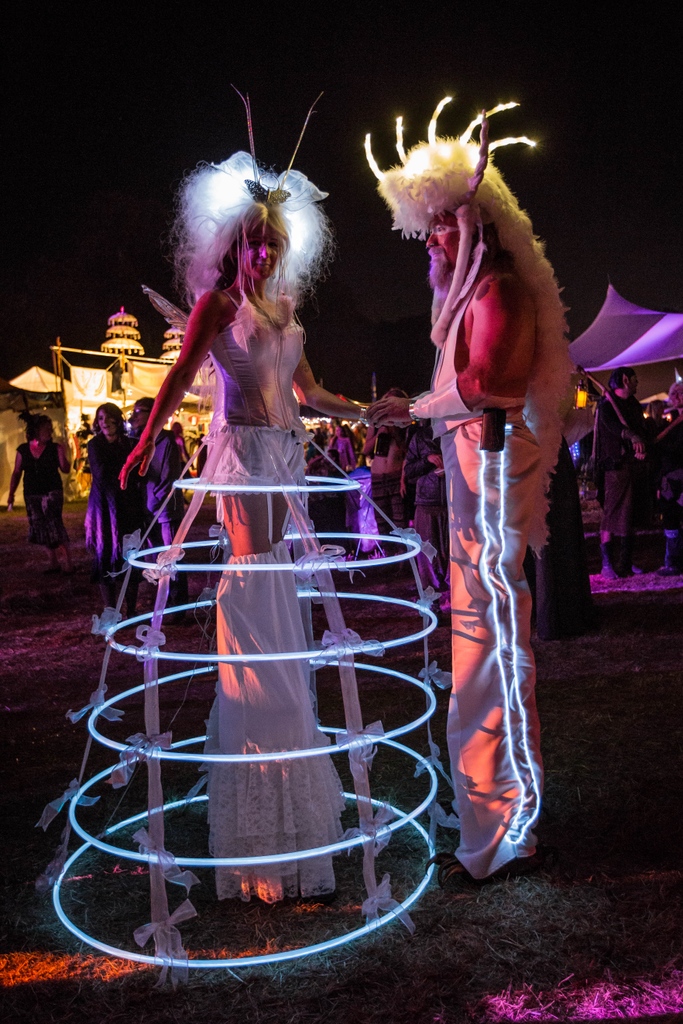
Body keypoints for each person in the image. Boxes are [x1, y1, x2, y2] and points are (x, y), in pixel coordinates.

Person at [120, 149, 369, 904]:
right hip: (242, 460)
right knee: (254, 594)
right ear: (235, 246)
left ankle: (296, 820)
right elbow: (174, 376)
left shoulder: (285, 311)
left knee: (282, 605)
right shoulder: (217, 307)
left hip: (284, 459)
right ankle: (264, 828)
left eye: (272, 243)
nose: (263, 253)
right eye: (254, 242)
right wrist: (143, 440)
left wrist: (366, 411)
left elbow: (311, 391)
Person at [366, 99, 570, 880]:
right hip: (466, 490)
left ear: (481, 225)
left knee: (492, 653)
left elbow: (493, 382)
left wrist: (414, 407)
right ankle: (483, 824)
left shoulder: (499, 292)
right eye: (432, 230)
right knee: (471, 650)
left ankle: (509, 832)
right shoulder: (460, 297)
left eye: (449, 226)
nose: (436, 240)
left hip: (492, 484)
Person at [128, 397, 189, 616]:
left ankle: (177, 605)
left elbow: (168, 478)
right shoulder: (137, 440)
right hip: (148, 509)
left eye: (139, 411)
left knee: (172, 558)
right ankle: (165, 601)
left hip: (164, 511)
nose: (134, 417)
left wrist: (155, 503)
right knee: (157, 558)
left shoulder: (166, 441)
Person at [85, 403, 145, 614]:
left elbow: (139, 472)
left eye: (109, 418)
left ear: (118, 420)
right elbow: (100, 473)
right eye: (101, 419)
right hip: (104, 506)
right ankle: (111, 610)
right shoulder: (95, 445)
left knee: (130, 553)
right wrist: (125, 470)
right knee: (106, 552)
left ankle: (131, 609)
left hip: (128, 505)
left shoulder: (130, 444)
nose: (105, 423)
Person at [594, 367, 649, 578]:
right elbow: (613, 426)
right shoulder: (607, 406)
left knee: (630, 514)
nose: (637, 383)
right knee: (612, 514)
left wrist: (642, 446)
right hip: (614, 467)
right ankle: (607, 564)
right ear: (625, 380)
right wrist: (630, 436)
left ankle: (625, 562)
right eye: (634, 379)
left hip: (633, 466)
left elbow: (640, 429)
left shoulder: (633, 405)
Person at [7, 412, 74, 573]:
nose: (50, 433)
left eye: (51, 430)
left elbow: (65, 469)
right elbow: (17, 472)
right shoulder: (23, 450)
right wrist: (11, 494)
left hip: (51, 492)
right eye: (47, 429)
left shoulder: (55, 448)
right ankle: (53, 563)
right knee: (40, 527)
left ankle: (68, 564)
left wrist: (66, 451)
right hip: (32, 493)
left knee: (54, 525)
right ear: (37, 430)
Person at [403, 420, 450, 612]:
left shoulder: (457, 432)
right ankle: (432, 603)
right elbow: (408, 471)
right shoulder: (421, 437)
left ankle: (457, 601)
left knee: (453, 556)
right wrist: (427, 460)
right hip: (427, 502)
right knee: (428, 557)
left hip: (453, 502)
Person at [362, 389, 409, 535]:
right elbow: (366, 449)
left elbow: (407, 451)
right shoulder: (375, 424)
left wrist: (403, 477)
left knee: (399, 521)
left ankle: (403, 555)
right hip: (378, 477)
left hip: (395, 476)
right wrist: (379, 435)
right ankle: (388, 552)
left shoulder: (404, 424)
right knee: (382, 521)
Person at [655, 380, 683, 575]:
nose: (676, 398)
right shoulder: (671, 421)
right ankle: (672, 561)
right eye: (674, 394)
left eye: (680, 393)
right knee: (671, 519)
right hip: (670, 479)